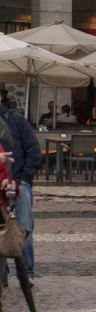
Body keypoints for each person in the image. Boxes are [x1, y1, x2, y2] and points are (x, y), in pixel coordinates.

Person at [0, 95, 39, 281]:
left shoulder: (15, 120)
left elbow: (33, 149)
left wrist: (23, 179)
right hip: (1, 185)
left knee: (23, 228)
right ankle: (3, 275)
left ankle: (27, 273)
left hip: (19, 183)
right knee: (2, 230)